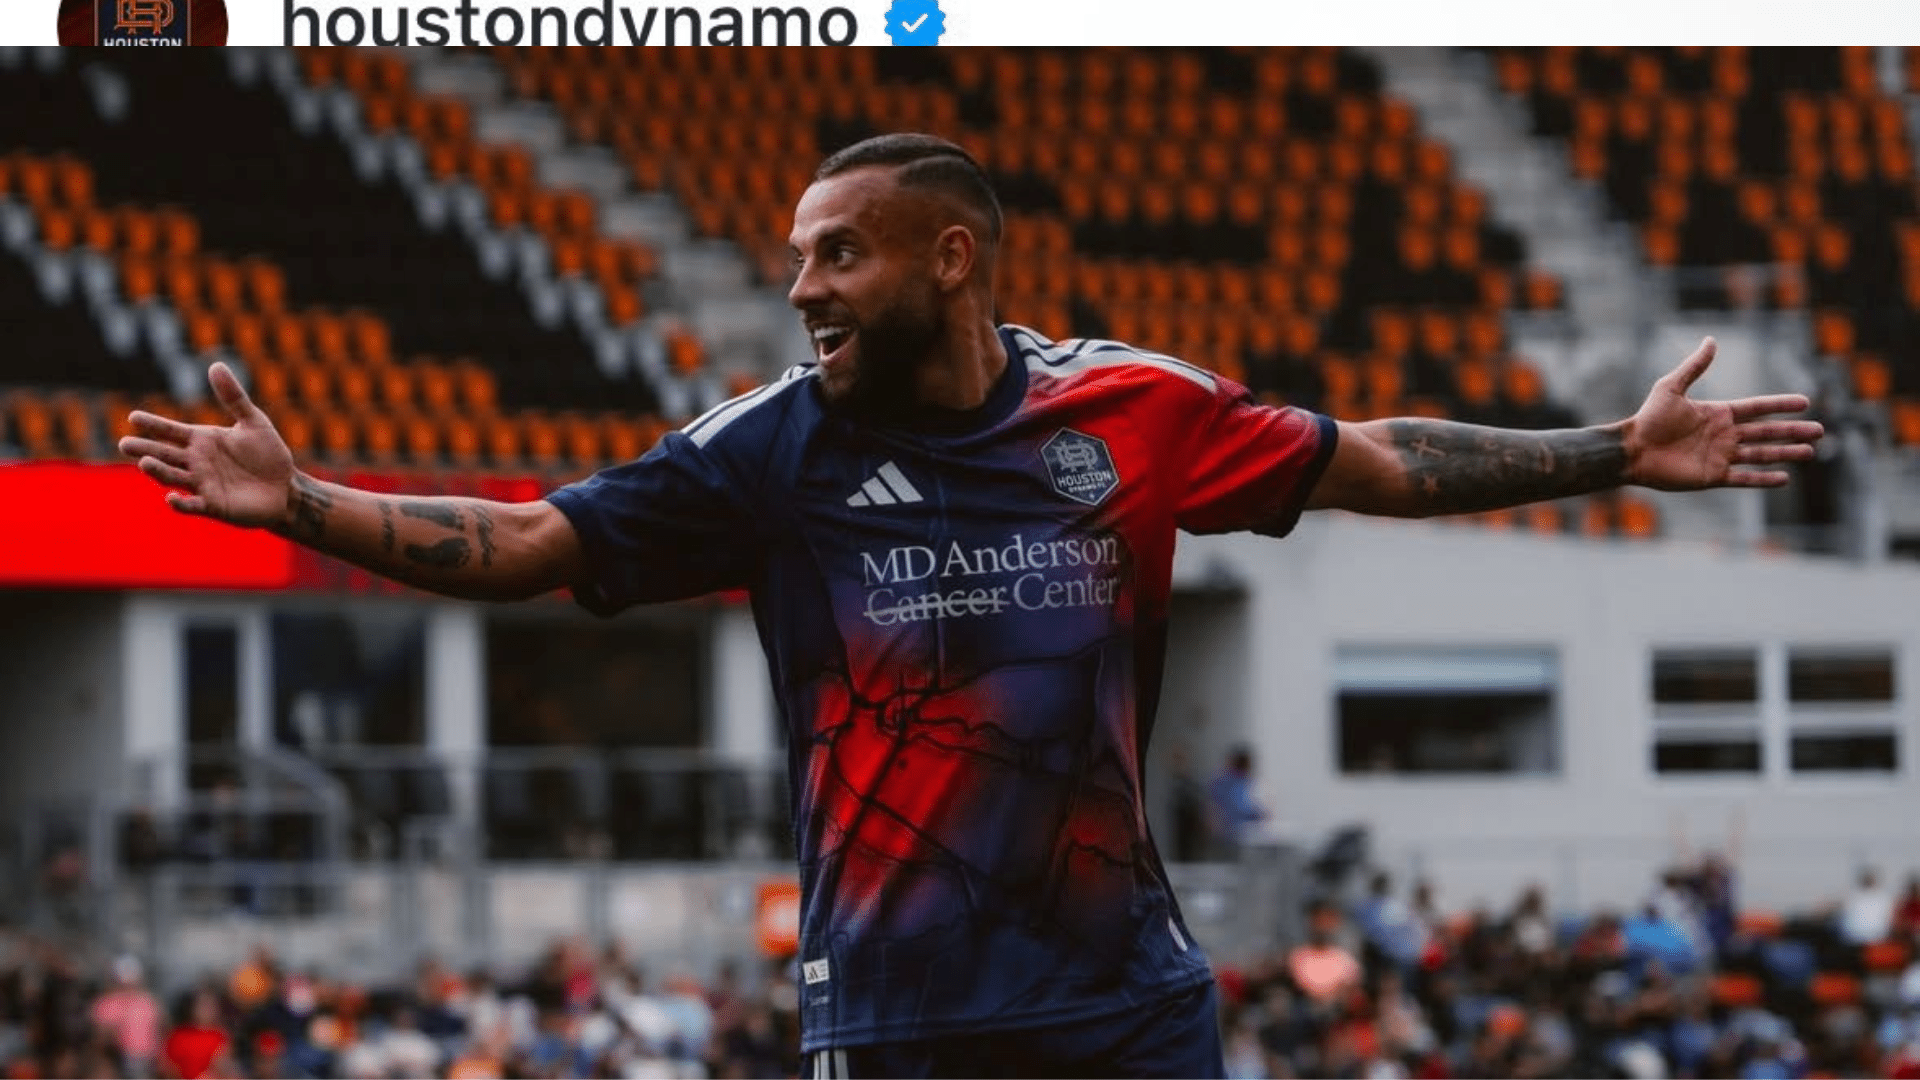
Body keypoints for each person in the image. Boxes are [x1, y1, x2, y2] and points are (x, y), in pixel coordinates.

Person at [117, 132, 1824, 1078]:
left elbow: (1376, 459)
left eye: (837, 253)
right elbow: (531, 546)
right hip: (904, 1018)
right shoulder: (767, 451)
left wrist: (1616, 451)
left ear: (949, 257)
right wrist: (310, 500)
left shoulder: (1133, 410)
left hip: (1130, 1004)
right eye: (797, 256)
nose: (801, 286)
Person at [1207, 746, 1268, 856]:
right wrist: (1258, 814)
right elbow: (1237, 807)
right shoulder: (1233, 782)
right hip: (1234, 833)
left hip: (1229, 832)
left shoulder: (1223, 780)